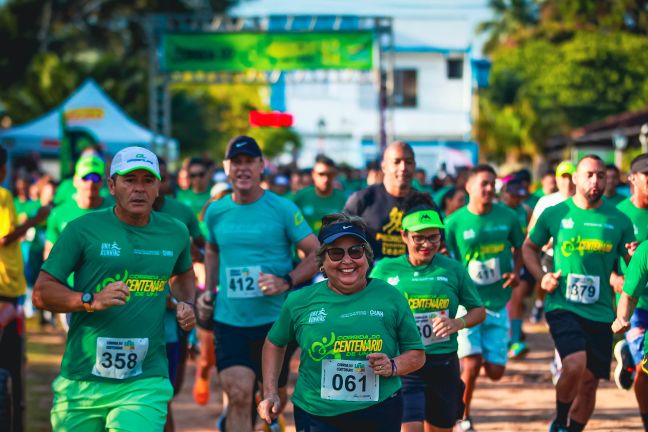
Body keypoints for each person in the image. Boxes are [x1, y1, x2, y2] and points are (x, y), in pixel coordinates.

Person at [32, 146, 197, 431]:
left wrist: (186, 303)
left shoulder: (176, 232)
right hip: (82, 380)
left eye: (148, 181)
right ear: (112, 185)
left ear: (158, 187)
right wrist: (90, 299)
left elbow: (183, 275)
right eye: (129, 180)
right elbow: (41, 292)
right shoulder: (81, 229)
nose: (139, 189)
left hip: (144, 381)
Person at [258, 214, 425, 431]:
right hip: (316, 413)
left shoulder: (391, 297)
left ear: (367, 257)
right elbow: (274, 343)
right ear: (322, 262)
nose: (347, 260)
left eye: (355, 251)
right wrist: (270, 392)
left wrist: (392, 366)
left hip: (379, 408)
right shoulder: (300, 301)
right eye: (336, 253)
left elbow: (417, 355)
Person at [200, 135, 319, 432]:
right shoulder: (215, 211)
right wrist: (209, 292)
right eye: (236, 162)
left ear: (261, 166)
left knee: (273, 397)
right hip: (229, 320)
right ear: (227, 168)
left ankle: (270, 422)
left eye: (249, 162)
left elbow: (317, 253)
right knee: (238, 393)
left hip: (274, 322)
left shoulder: (282, 209)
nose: (242, 169)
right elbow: (213, 250)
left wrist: (286, 281)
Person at [522, 154, 636, 432]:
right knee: (574, 363)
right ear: (575, 178)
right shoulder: (555, 213)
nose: (595, 181)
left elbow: (629, 264)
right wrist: (542, 277)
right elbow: (529, 247)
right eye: (589, 175)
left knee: (589, 382)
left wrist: (629, 262)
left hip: (600, 310)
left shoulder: (618, 219)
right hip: (563, 304)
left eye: (600, 175)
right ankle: (560, 420)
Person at [371, 195, 485, 432]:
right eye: (419, 238)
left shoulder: (452, 269)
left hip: (442, 362)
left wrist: (457, 323)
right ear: (404, 236)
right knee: (409, 428)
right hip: (403, 363)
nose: (426, 244)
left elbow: (478, 311)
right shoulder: (385, 270)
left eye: (433, 237)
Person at [444, 164, 524, 432]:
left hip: (499, 302)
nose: (489, 189)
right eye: (484, 184)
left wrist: (515, 272)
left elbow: (519, 248)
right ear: (468, 187)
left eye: (492, 184)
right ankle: (462, 418)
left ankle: (459, 381)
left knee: (495, 371)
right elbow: (447, 259)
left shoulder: (509, 217)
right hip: (468, 304)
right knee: (473, 362)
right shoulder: (454, 223)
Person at [153, 157, 205, 431]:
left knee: (165, 396)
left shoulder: (180, 213)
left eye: (160, 178)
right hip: (127, 322)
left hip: (173, 319)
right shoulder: (115, 216)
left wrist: (196, 255)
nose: (155, 185)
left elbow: (202, 248)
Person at [0, 145, 49, 431]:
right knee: (12, 368)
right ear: (4, 169)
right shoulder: (3, 196)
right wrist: (36, 219)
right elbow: (5, 237)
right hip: (6, 285)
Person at [344, 141, 436, 260]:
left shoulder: (425, 203)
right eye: (396, 162)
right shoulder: (362, 199)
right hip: (371, 275)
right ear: (384, 166)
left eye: (408, 162)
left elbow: (439, 244)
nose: (403, 168)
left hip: (411, 275)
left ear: (414, 165)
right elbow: (342, 238)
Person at [612, 154, 648, 403]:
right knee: (645, 368)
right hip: (634, 302)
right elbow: (599, 256)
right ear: (633, 179)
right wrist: (613, 276)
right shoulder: (617, 215)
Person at [528, 160, 576, 325]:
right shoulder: (546, 202)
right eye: (563, 177)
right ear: (557, 179)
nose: (567, 182)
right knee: (547, 287)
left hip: (576, 258)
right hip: (551, 256)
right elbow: (531, 231)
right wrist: (545, 242)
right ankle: (541, 304)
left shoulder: (585, 203)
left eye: (571, 177)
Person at [43, 155, 114, 260]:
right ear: (75, 181)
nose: (90, 183)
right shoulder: (58, 213)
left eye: (95, 178)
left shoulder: (115, 211)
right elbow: (49, 254)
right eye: (85, 177)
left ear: (101, 182)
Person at [613, 240, 648, 431]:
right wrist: (622, 318)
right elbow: (629, 295)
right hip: (640, 312)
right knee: (643, 372)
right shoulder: (645, 251)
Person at [500, 179, 533, 359]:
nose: (516, 199)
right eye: (513, 195)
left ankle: (515, 340)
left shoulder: (525, 210)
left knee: (517, 299)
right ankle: (505, 339)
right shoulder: (499, 211)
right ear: (505, 193)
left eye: (519, 195)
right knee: (504, 302)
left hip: (518, 260)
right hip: (501, 261)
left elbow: (528, 233)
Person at [292, 155, 347, 234]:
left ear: (335, 175)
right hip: (307, 246)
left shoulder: (343, 200)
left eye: (329, 174)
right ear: (313, 174)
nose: (325, 179)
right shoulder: (301, 197)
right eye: (321, 174)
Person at [176, 157, 212, 236]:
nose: (197, 178)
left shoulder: (216, 194)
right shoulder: (181, 195)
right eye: (193, 175)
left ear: (208, 173)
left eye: (201, 174)